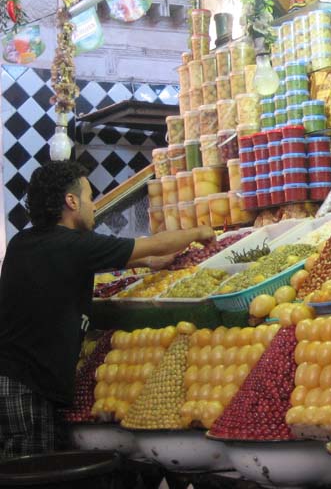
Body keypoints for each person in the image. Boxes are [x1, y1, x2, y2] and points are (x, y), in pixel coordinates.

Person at [0, 161, 215, 461]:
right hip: (28, 390)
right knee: (32, 475)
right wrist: (199, 231)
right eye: (89, 198)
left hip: (17, 381)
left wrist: (148, 263)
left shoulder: (25, 242)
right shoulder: (72, 245)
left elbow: (105, 257)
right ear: (71, 201)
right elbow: (152, 243)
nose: (93, 207)